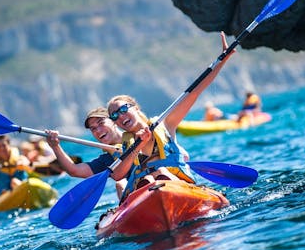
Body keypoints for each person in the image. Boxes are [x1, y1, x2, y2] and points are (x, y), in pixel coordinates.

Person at [107, 31, 236, 200]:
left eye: (123, 109)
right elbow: (117, 175)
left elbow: (194, 92)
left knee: (161, 172)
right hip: (145, 192)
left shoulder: (166, 124)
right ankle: (152, 191)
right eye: (114, 116)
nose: (120, 116)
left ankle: (161, 187)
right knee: (145, 179)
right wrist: (137, 146)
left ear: (136, 108)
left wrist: (222, 59)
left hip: (174, 184)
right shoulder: (127, 145)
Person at [44, 107, 128, 199]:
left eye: (101, 123)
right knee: (120, 185)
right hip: (134, 192)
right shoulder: (107, 160)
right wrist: (55, 146)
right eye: (93, 129)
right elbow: (74, 170)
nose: (98, 131)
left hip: (145, 180)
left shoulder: (138, 135)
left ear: (113, 121)